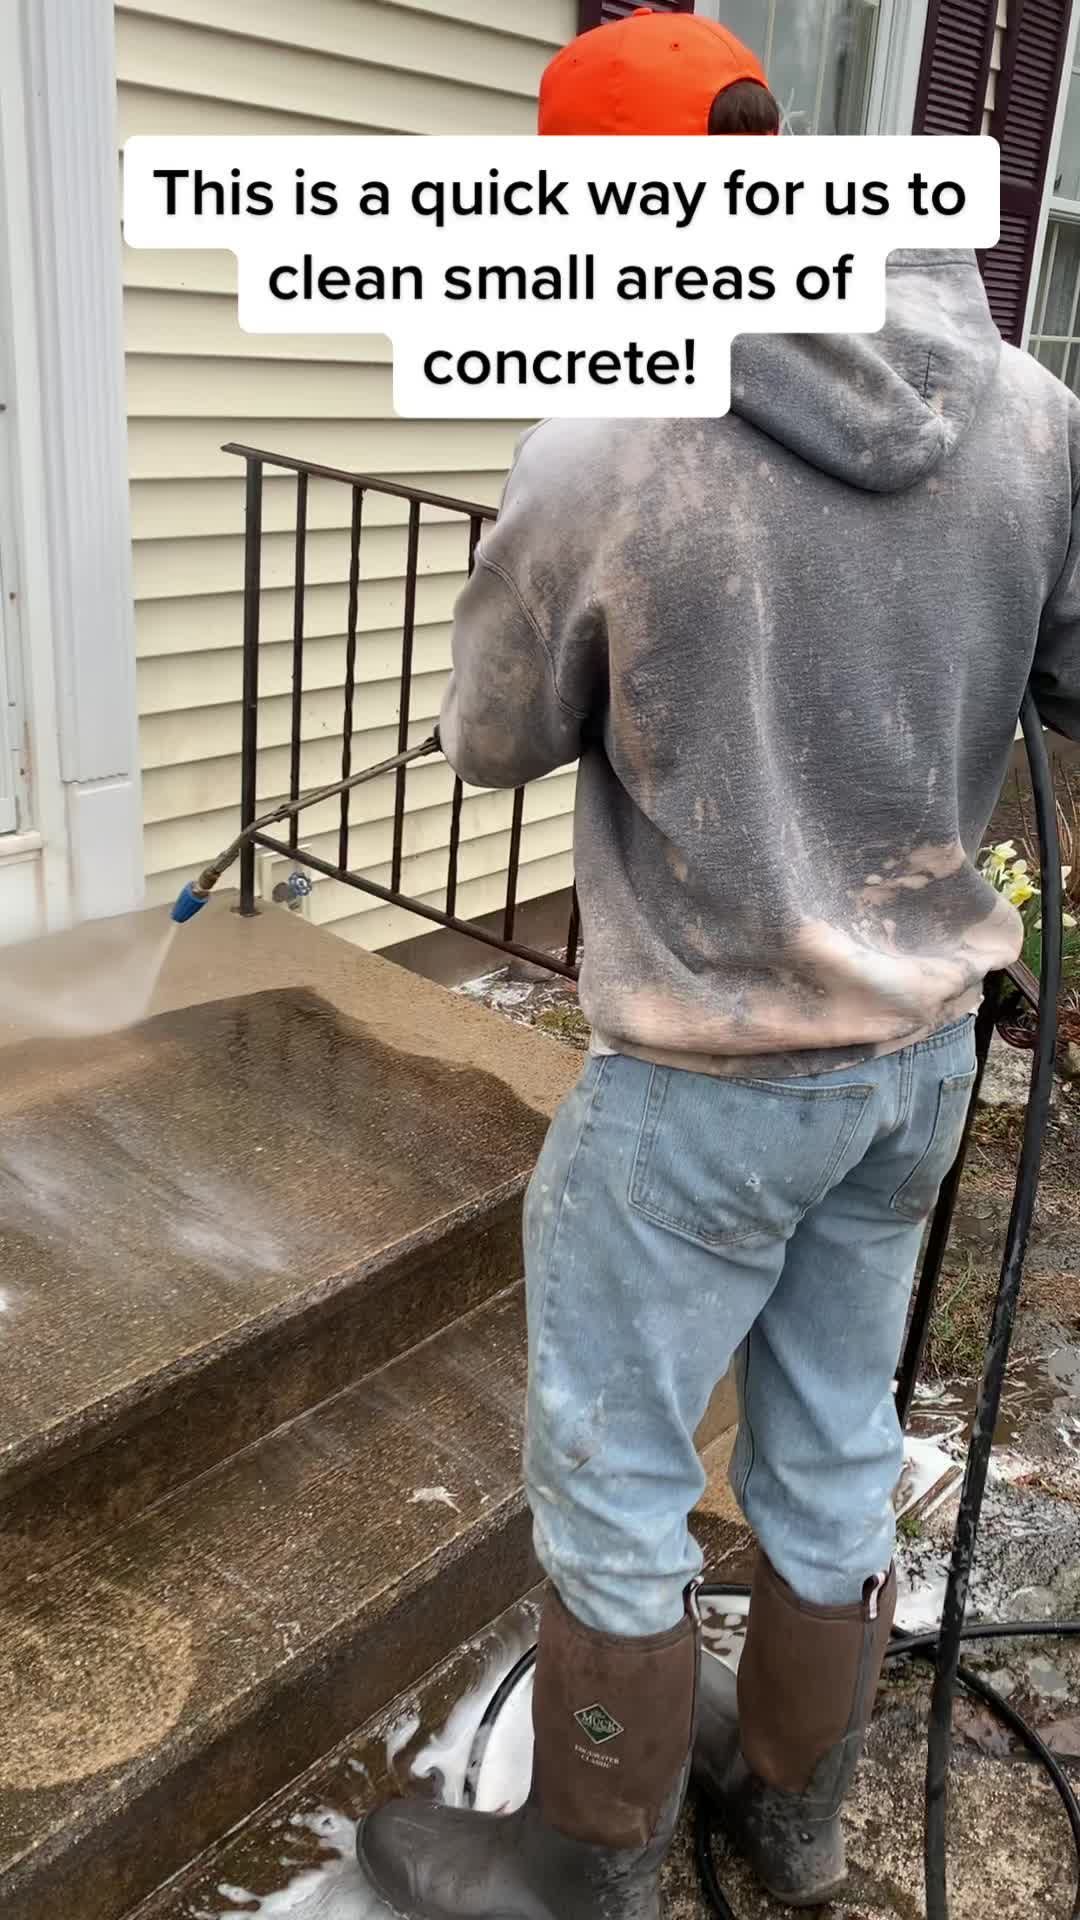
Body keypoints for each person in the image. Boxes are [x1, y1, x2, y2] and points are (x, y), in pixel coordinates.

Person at [357, 7, 1080, 1917]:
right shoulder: (1030, 409)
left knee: (612, 1469)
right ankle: (792, 1807)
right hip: (919, 1055)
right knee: (838, 1435)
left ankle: (590, 1861)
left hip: (703, 1077)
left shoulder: (614, 432)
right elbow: (1067, 673)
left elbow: (502, 730)